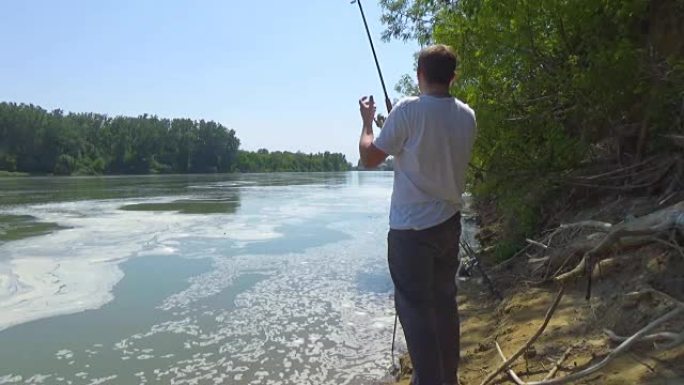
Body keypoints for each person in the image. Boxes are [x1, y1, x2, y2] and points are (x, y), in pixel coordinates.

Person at [358, 44, 476, 385]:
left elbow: (370, 157)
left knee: (415, 310)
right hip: (449, 226)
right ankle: (447, 378)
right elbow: (430, 148)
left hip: (411, 231)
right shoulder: (467, 115)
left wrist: (368, 124)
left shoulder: (408, 110)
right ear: (452, 77)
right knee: (443, 303)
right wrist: (396, 125)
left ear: (419, 75)